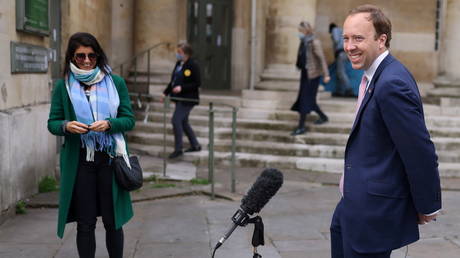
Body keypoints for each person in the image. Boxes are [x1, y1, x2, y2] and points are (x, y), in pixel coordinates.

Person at [330, 5, 442, 258]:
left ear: (381, 40)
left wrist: (427, 204)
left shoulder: (392, 82)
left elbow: (418, 150)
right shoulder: (375, 76)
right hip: (352, 205)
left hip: (373, 215)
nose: (349, 46)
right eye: (345, 38)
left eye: (358, 38)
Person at [48, 32, 135, 258]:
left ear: (98, 56)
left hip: (110, 162)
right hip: (81, 164)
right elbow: (52, 122)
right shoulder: (63, 87)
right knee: (85, 223)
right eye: (80, 56)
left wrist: (109, 124)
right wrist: (66, 126)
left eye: (92, 56)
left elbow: (129, 119)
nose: (86, 61)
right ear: (71, 57)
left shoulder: (115, 82)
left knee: (113, 221)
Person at [291, 21, 331, 136]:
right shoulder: (303, 42)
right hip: (305, 74)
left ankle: (301, 127)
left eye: (301, 31)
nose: (299, 33)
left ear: (306, 30)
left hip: (313, 76)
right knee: (310, 100)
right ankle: (323, 117)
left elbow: (321, 59)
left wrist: (326, 74)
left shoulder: (314, 42)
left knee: (304, 100)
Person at [162, 42, 201, 159]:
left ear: (186, 53)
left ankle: (178, 149)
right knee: (183, 122)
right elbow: (173, 81)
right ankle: (195, 145)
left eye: (180, 52)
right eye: (177, 52)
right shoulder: (179, 63)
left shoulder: (193, 65)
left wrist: (182, 88)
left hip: (188, 99)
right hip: (178, 98)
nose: (177, 54)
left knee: (176, 120)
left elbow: (197, 83)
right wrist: (166, 92)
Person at [329, 23, 354, 97]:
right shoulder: (342, 31)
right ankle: (341, 91)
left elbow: (336, 40)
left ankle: (349, 90)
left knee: (340, 72)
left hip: (341, 53)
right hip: (346, 53)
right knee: (341, 72)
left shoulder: (334, 30)